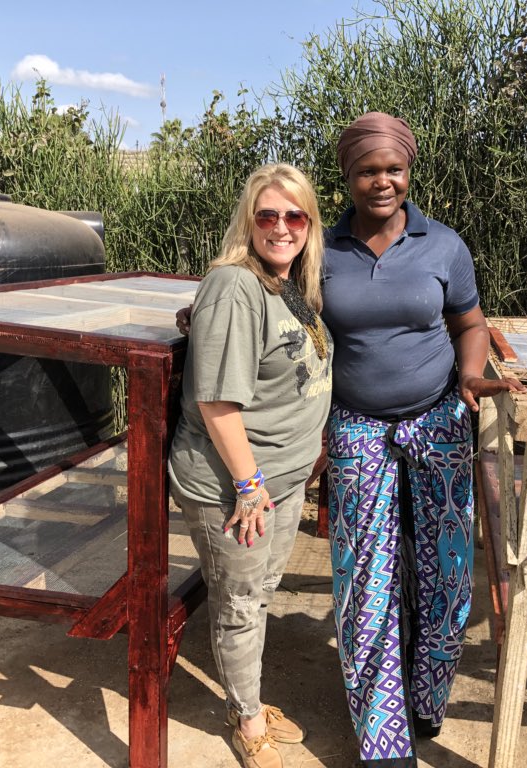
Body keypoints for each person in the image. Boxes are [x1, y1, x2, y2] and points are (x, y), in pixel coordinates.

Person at [322, 111, 522, 767]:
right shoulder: (320, 251)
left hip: (437, 420)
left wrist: (469, 375)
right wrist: (205, 304)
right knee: (367, 580)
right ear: (348, 177)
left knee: (444, 570)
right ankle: (383, 738)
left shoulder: (443, 245)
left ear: (408, 172)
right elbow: (272, 307)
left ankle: (426, 697)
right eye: (367, 171)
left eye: (393, 169)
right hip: (356, 427)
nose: (382, 181)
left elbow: (469, 320)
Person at [168, 163, 332, 768]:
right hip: (236, 485)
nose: (282, 227)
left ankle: (249, 697)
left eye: (295, 215)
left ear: (309, 224)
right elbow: (216, 400)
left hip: (281, 478)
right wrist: (249, 485)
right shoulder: (235, 285)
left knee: (258, 593)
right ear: (249, 220)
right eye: (268, 215)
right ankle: (246, 716)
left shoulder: (285, 282)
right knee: (239, 600)